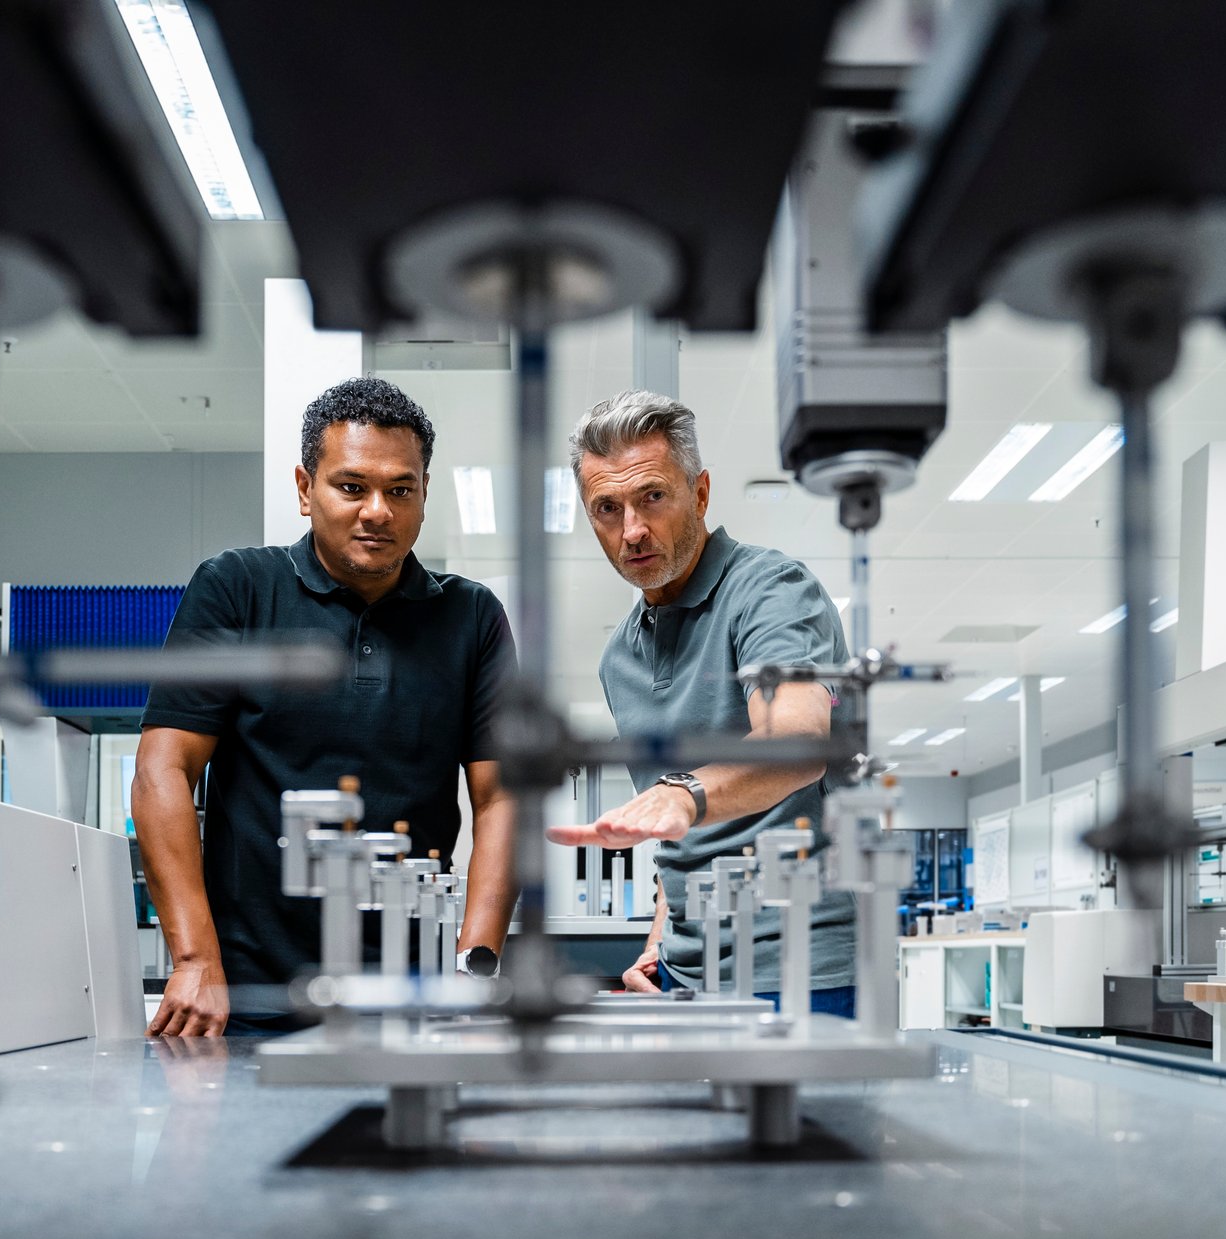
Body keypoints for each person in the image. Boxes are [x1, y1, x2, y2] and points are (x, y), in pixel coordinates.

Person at [134, 377, 517, 1036]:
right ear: (305, 489)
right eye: (351, 486)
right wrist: (194, 958)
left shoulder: (471, 616)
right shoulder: (236, 589)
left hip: (414, 991)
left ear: (425, 494)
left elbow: (503, 798)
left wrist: (473, 968)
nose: (377, 510)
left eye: (401, 489)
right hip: (247, 993)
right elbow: (162, 769)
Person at [546, 389, 856, 1015]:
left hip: (801, 972)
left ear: (701, 493)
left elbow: (798, 744)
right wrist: (658, 942)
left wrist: (682, 792)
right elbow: (679, 841)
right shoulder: (620, 659)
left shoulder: (773, 592)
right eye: (606, 508)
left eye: (652, 497)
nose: (631, 530)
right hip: (683, 976)